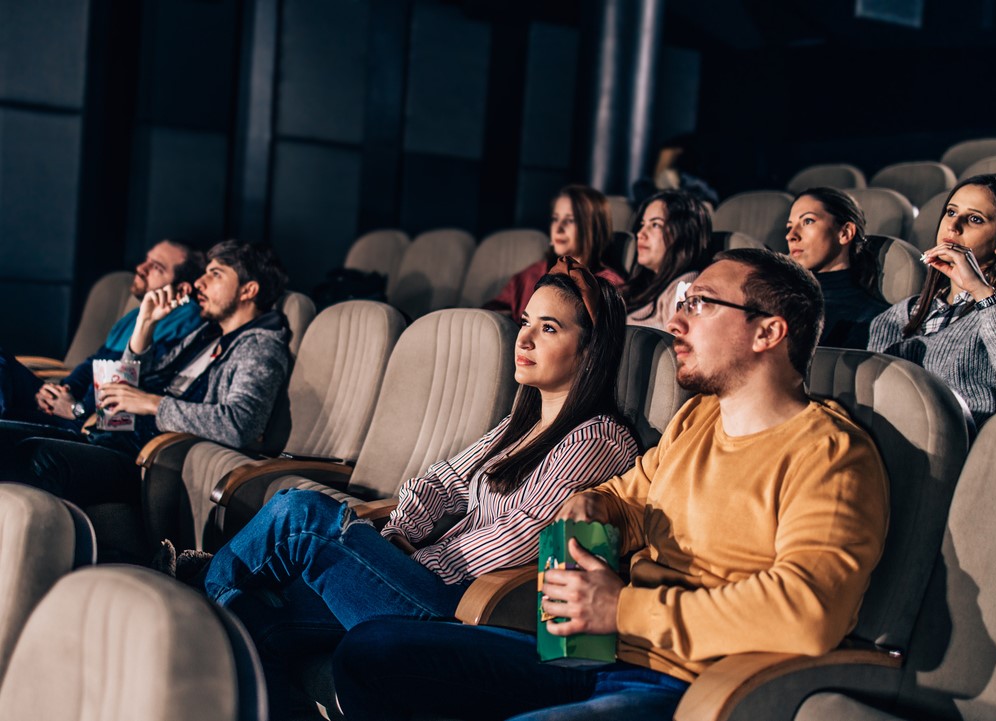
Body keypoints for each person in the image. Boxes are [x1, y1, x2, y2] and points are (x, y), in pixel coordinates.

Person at [331, 248, 890, 721]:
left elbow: (806, 612)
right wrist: (592, 502)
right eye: (682, 303)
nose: (676, 321)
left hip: (691, 687)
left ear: (768, 332)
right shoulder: (695, 423)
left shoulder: (830, 454)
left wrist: (622, 609)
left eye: (701, 305)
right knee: (371, 650)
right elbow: (629, 494)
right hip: (595, 654)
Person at [201, 258, 640, 719]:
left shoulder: (598, 438)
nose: (523, 339)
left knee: (302, 515)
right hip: (424, 579)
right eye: (525, 321)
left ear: (590, 351)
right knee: (253, 626)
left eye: (548, 329)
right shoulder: (521, 423)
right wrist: (396, 536)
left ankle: (197, 590)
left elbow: (524, 534)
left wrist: (415, 558)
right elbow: (440, 480)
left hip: (463, 608)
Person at [9, 240, 292, 507]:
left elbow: (239, 424)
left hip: (147, 462)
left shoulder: (261, 347)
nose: (199, 283)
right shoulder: (207, 335)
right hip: (110, 435)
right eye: (203, 273)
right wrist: (145, 323)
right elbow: (130, 383)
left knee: (34, 455)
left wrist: (150, 403)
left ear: (248, 291)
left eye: (215, 275)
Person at [868, 173, 996, 426]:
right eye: (951, 212)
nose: (953, 226)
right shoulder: (896, 317)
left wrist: (980, 291)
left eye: (975, 219)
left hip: (977, 447)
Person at [0, 239, 205, 441]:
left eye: (156, 267)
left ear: (182, 290)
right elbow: (95, 361)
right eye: (146, 260)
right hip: (71, 405)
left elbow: (135, 378)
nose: (141, 268)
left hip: (92, 424)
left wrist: (76, 409)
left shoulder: (187, 322)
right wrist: (60, 392)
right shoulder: (135, 316)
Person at [485, 185, 626, 323]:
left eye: (570, 220)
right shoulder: (531, 274)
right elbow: (492, 313)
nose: (558, 229)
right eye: (555, 219)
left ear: (593, 228)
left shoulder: (609, 284)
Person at [785, 187, 888, 349]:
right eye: (789, 226)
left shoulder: (873, 319)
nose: (791, 235)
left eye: (808, 221)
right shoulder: (777, 302)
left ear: (845, 233)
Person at [621, 190, 711, 331]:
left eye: (655, 225)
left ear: (683, 233)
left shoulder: (684, 287)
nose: (640, 234)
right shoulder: (643, 285)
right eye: (642, 224)